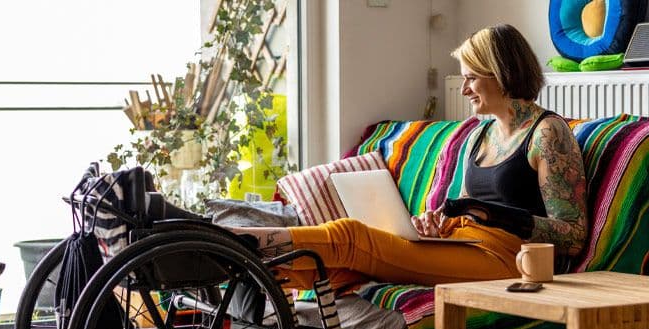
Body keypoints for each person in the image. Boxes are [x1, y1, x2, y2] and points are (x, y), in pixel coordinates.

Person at [233, 24, 588, 290]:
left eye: (471, 78)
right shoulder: (483, 132)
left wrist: (498, 216)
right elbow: (466, 205)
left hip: (508, 258)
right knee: (337, 269)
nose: (464, 89)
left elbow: (573, 236)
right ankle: (238, 265)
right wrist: (436, 223)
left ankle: (238, 242)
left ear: (502, 73)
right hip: (461, 241)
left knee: (352, 237)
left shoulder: (547, 133)